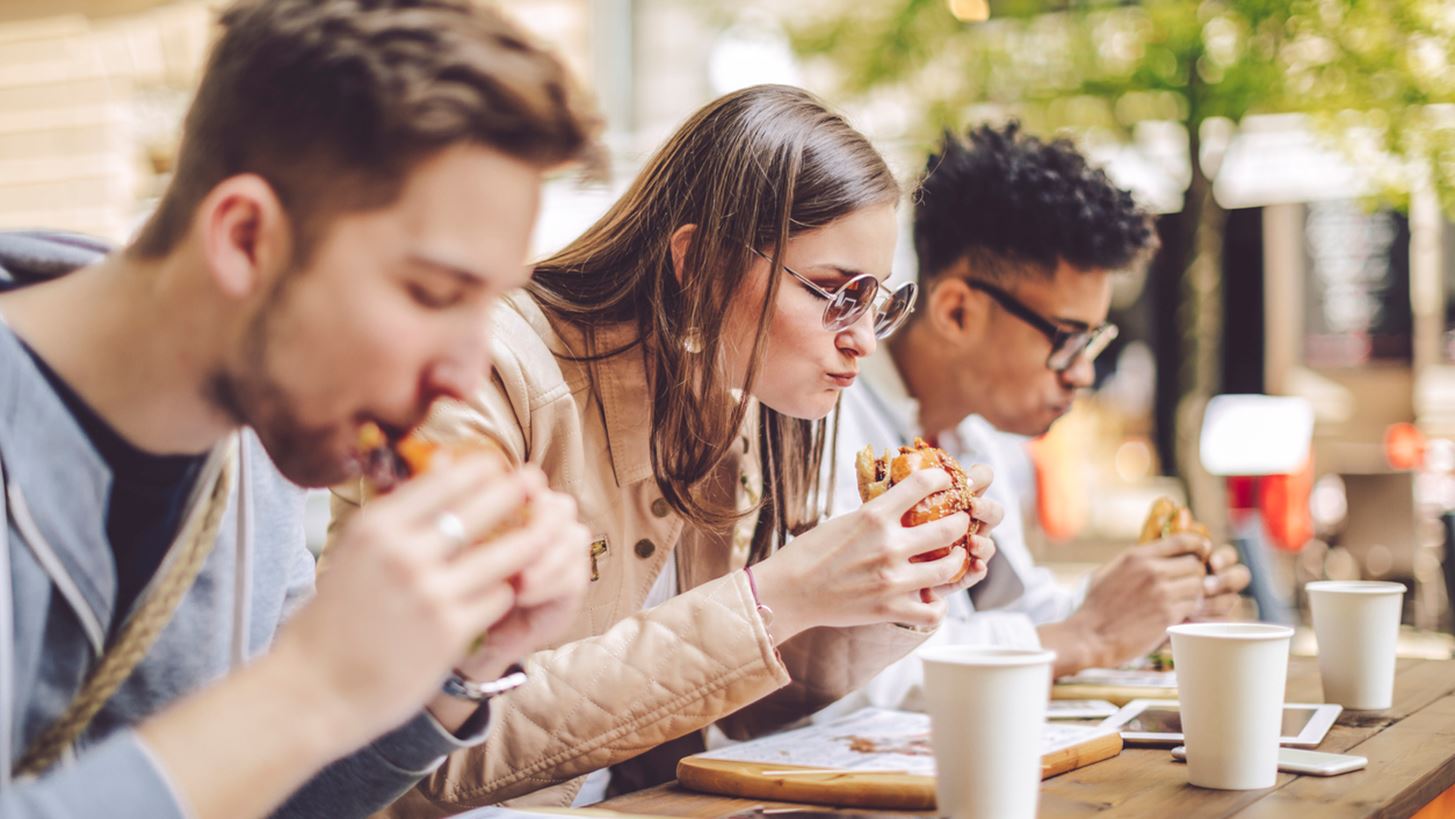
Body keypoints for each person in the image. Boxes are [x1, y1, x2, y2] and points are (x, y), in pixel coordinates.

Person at [0, 1, 598, 816]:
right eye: (432, 294)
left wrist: (460, 664)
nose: (465, 374)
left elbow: (257, 793)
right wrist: (310, 685)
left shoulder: (267, 438)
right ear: (246, 238)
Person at [339, 84, 1003, 815]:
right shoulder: (483, 375)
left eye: (874, 299)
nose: (863, 337)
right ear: (697, 263)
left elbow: (719, 716)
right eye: (831, 291)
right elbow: (429, 750)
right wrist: (777, 596)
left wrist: (885, 596)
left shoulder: (730, 396)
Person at [829, 123, 1252, 707]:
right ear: (956, 312)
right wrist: (1088, 634)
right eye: (1066, 339)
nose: (1080, 373)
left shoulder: (975, 439)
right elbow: (852, 675)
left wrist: (1153, 602)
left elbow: (1019, 614)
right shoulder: (829, 427)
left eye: (1092, 344)